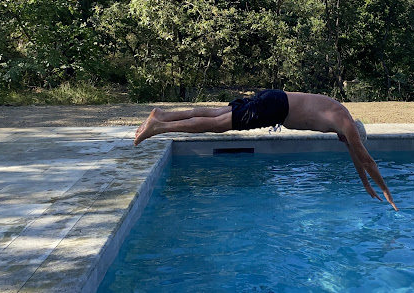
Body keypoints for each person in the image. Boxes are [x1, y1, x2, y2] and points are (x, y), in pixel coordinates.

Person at [134, 89, 398, 211]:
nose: (344, 143)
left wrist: (366, 186)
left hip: (275, 99)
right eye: (346, 141)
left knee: (217, 112)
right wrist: (386, 191)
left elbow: (357, 159)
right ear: (350, 134)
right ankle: (158, 127)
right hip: (275, 108)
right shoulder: (345, 124)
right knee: (217, 125)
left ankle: (163, 115)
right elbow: (366, 159)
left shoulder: (341, 114)